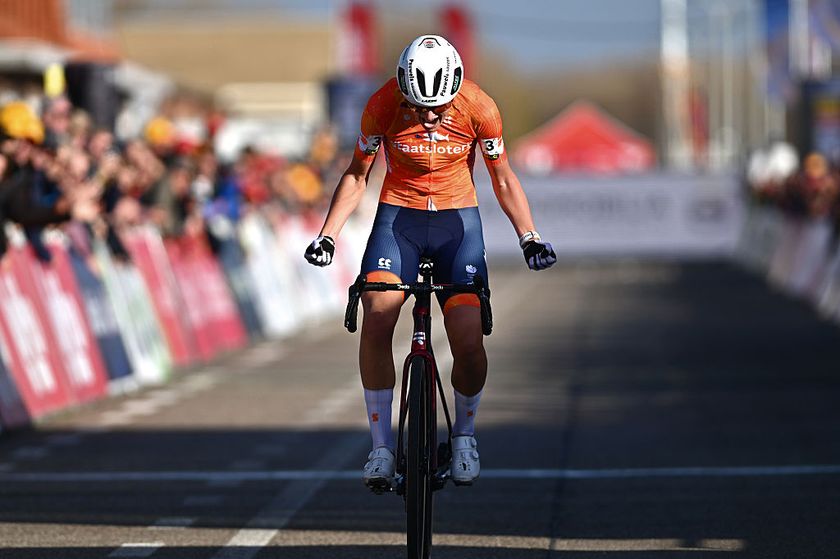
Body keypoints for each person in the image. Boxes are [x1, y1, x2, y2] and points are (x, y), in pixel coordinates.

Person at [304, 35, 556, 490]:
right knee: (377, 315)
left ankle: (463, 436)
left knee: (467, 337)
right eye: (419, 108)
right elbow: (357, 175)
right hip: (398, 218)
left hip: (456, 224)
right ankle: (381, 447)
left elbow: (502, 178)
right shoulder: (382, 104)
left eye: (438, 108)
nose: (429, 118)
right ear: (403, 88)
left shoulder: (480, 107)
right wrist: (327, 235)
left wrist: (529, 236)